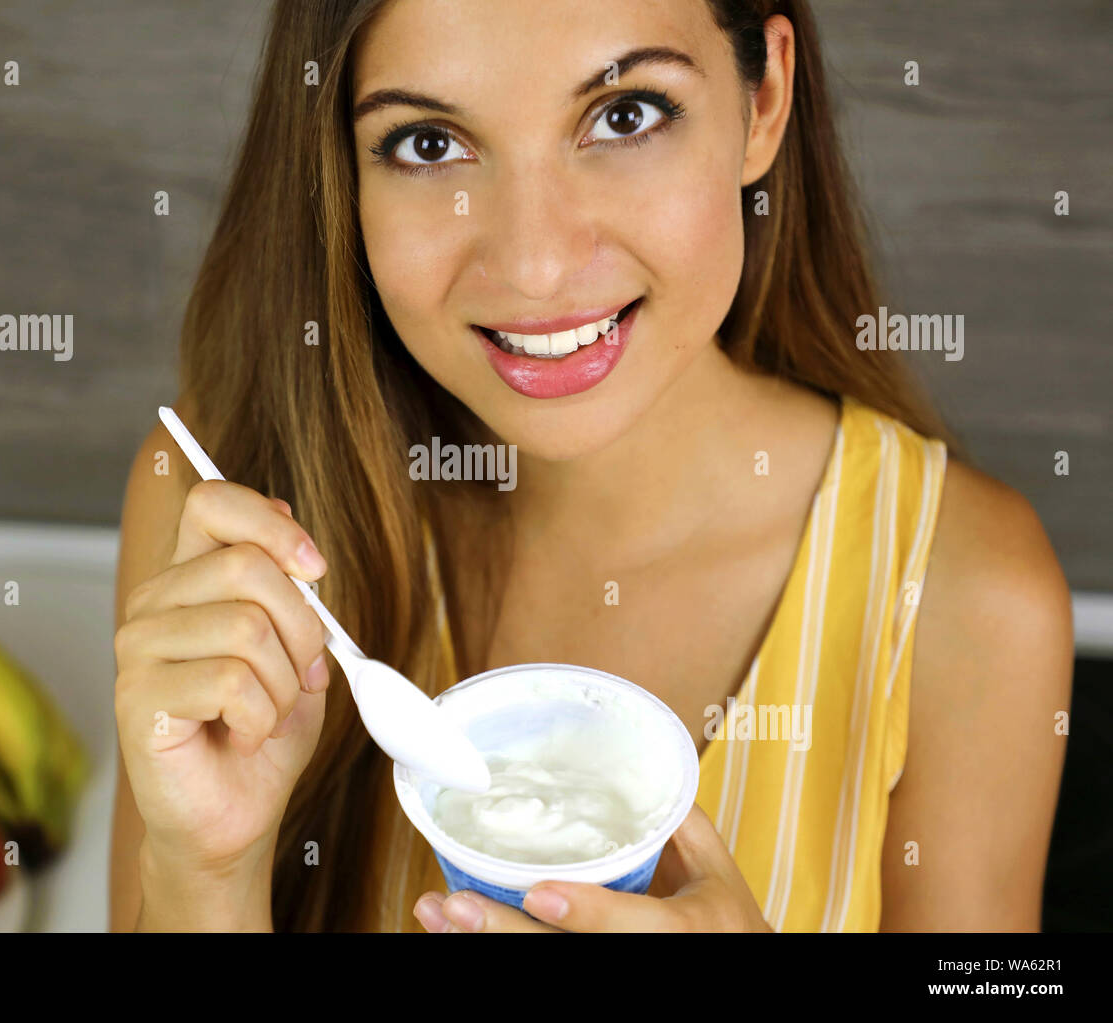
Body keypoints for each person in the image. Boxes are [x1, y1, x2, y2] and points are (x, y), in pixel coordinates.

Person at [109, 0, 1073, 932]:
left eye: (625, 115)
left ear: (764, 102)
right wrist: (207, 874)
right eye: (430, 144)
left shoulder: (962, 592)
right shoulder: (224, 518)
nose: (534, 265)